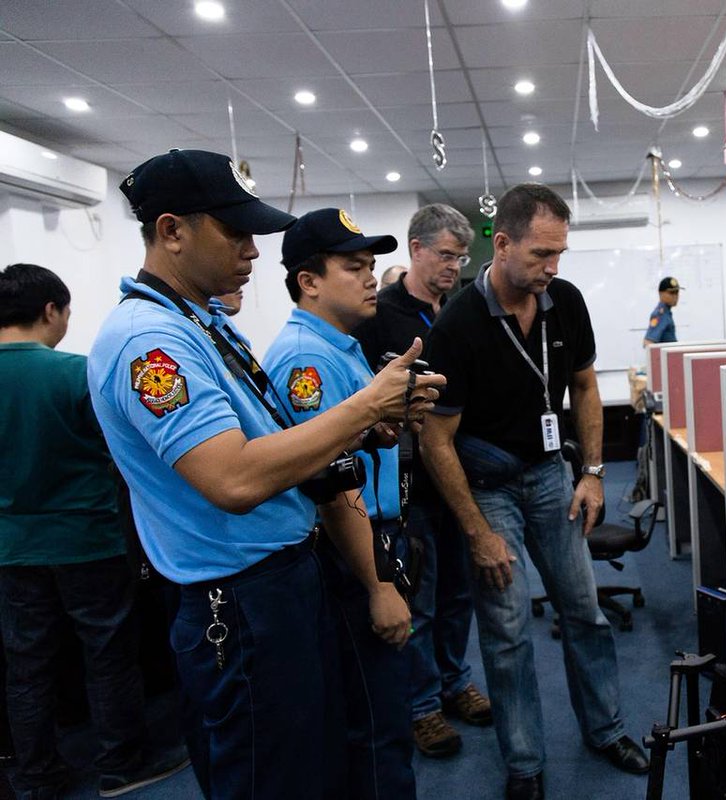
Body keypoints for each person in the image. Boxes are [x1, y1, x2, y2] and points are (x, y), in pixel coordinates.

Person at [87, 149, 443, 799]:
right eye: (235, 232)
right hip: (240, 596)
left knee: (310, 764)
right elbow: (234, 480)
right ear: (171, 231)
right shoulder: (150, 342)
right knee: (271, 777)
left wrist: (366, 428)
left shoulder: (203, 325)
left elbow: (277, 447)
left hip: (280, 581)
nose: (252, 250)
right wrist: (366, 406)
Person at [420, 184, 649, 800]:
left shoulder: (564, 301)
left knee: (585, 613)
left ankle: (606, 729)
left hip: (552, 476)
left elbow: (586, 387)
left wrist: (593, 471)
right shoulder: (459, 324)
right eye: (541, 254)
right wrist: (477, 532)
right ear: (502, 244)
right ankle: (524, 763)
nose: (553, 266)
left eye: (559, 253)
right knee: (507, 630)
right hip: (488, 488)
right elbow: (436, 439)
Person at [0, 264, 189, 800]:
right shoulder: (75, 373)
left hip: (12, 548)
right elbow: (121, 452)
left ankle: (36, 776)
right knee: (108, 654)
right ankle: (120, 765)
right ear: (51, 311)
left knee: (26, 666)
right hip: (87, 539)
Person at [262, 207, 420, 799]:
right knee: (377, 724)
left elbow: (345, 446)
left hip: (374, 540)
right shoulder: (307, 359)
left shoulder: (340, 346)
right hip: (354, 550)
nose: (371, 278)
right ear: (309, 281)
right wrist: (378, 586)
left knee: (383, 711)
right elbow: (330, 484)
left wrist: (382, 429)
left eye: (371, 265)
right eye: (353, 267)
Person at [353, 204, 492, 760]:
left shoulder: (462, 311)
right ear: (416, 249)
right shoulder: (379, 315)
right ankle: (423, 705)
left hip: (458, 473)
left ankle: (456, 682)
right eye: (445, 255)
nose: (455, 267)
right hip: (407, 480)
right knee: (422, 598)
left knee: (460, 592)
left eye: (461, 257)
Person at [642, 276, 681, 346]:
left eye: (677, 292)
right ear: (660, 293)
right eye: (671, 293)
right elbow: (648, 342)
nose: (675, 296)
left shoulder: (666, 313)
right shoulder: (660, 315)